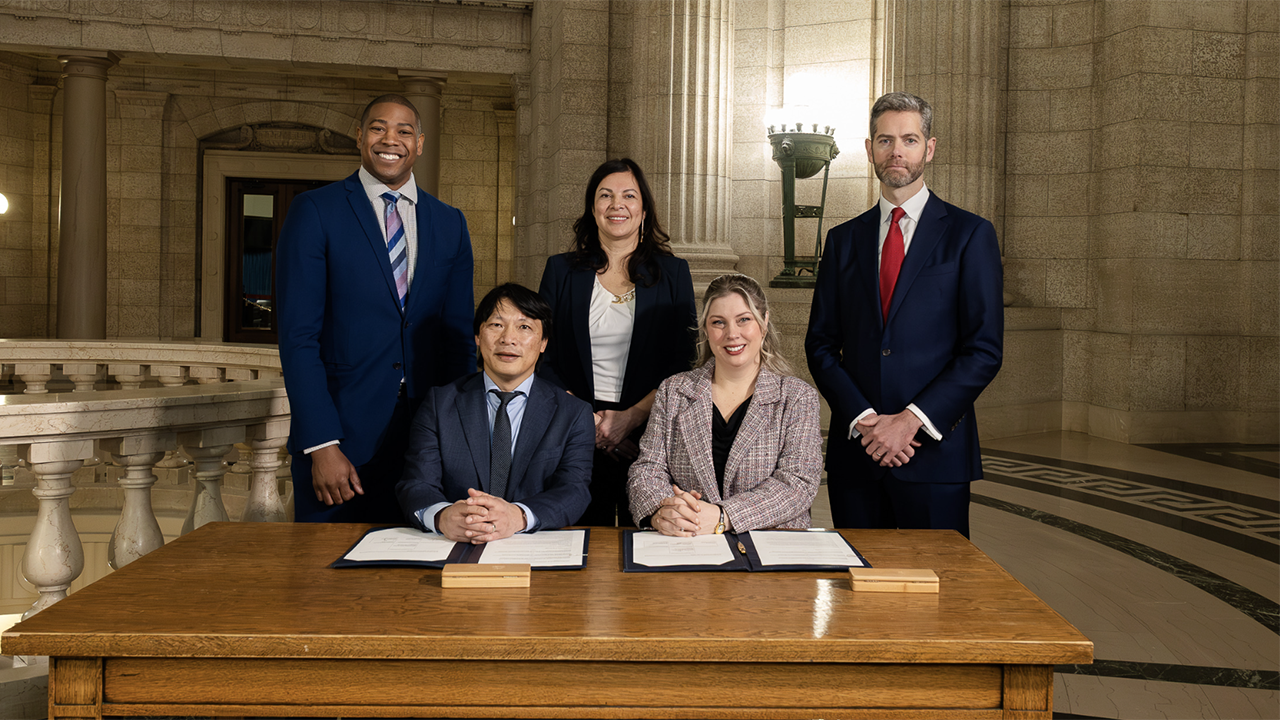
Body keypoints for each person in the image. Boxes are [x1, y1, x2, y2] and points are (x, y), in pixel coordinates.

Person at [804, 91, 1003, 538]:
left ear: (929, 149)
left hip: (933, 452)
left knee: (937, 593)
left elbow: (984, 350)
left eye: (909, 140)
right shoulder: (841, 240)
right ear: (870, 147)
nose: (897, 151)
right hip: (859, 453)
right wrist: (866, 422)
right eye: (885, 140)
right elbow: (820, 344)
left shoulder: (970, 235)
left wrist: (911, 420)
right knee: (859, 590)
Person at [277, 93, 475, 524]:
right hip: (342, 441)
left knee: (415, 579)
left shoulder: (450, 223)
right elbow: (298, 339)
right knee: (327, 579)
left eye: (404, 131)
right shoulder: (315, 211)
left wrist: (460, 441)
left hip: (427, 443)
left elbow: (459, 339)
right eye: (378, 128)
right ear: (360, 137)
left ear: (419, 144)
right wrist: (322, 444)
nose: (391, 139)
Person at [537, 158, 697, 526]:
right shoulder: (561, 271)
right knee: (575, 541)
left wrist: (630, 418)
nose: (616, 204)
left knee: (643, 543)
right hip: (572, 429)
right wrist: (587, 422)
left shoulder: (673, 274)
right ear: (593, 208)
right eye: (605, 195)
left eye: (628, 195)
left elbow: (682, 363)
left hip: (649, 435)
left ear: (643, 209)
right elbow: (542, 354)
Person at [396, 284, 594, 542]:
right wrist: (442, 516)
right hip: (456, 542)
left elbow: (574, 490)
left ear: (544, 342)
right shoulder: (439, 403)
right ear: (478, 336)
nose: (508, 339)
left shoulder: (573, 413)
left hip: (534, 547)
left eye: (524, 327)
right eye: (496, 325)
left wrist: (517, 517)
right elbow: (416, 483)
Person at [628, 274, 821, 535]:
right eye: (719, 322)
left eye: (744, 320)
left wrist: (723, 516)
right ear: (706, 329)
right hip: (688, 544)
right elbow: (647, 469)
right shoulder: (674, 391)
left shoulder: (797, 397)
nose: (732, 334)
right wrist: (661, 512)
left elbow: (798, 484)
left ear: (763, 323)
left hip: (771, 546)